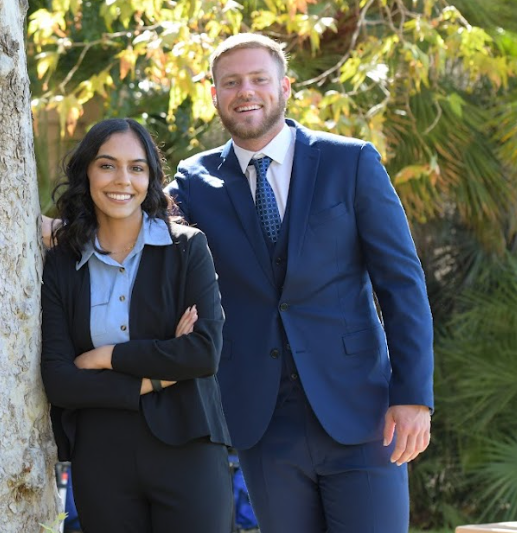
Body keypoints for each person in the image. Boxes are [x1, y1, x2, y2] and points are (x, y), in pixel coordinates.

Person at [165, 33, 434, 533]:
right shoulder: (195, 180)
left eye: (258, 79)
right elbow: (130, 217)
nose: (246, 92)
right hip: (262, 421)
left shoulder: (350, 161)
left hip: (362, 412)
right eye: (231, 83)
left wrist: (414, 394)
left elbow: (401, 282)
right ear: (214, 95)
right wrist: (60, 229)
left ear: (284, 86)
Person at [40, 117, 233, 533]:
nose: (122, 179)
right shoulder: (61, 264)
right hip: (100, 454)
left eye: (137, 167)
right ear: (86, 173)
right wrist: (159, 377)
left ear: (151, 177)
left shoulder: (187, 249)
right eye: (107, 165)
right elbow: (59, 380)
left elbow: (201, 353)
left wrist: (105, 357)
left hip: (188, 446)